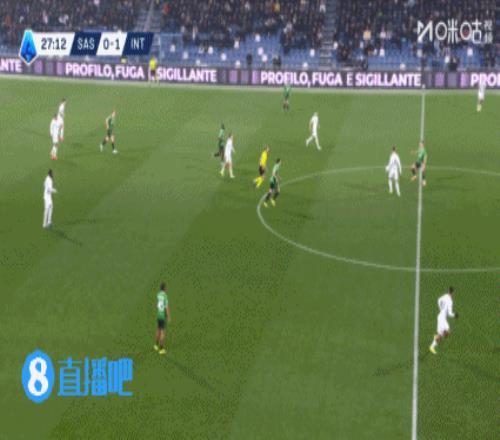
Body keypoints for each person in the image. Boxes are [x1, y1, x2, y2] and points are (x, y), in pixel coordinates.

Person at [429, 287, 458, 355]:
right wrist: (455, 315)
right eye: (453, 293)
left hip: (442, 318)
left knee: (447, 332)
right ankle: (432, 346)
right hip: (441, 319)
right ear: (452, 293)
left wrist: (440, 308)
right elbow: (450, 314)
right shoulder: (450, 302)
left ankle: (437, 337)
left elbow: (438, 300)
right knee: (443, 334)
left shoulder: (445, 296)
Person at [154, 282, 171, 355]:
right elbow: (166, 307)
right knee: (162, 333)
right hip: (162, 316)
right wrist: (168, 316)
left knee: (158, 330)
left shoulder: (158, 294)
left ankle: (156, 345)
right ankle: (161, 349)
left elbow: (157, 304)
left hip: (158, 315)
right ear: (164, 288)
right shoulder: (165, 296)